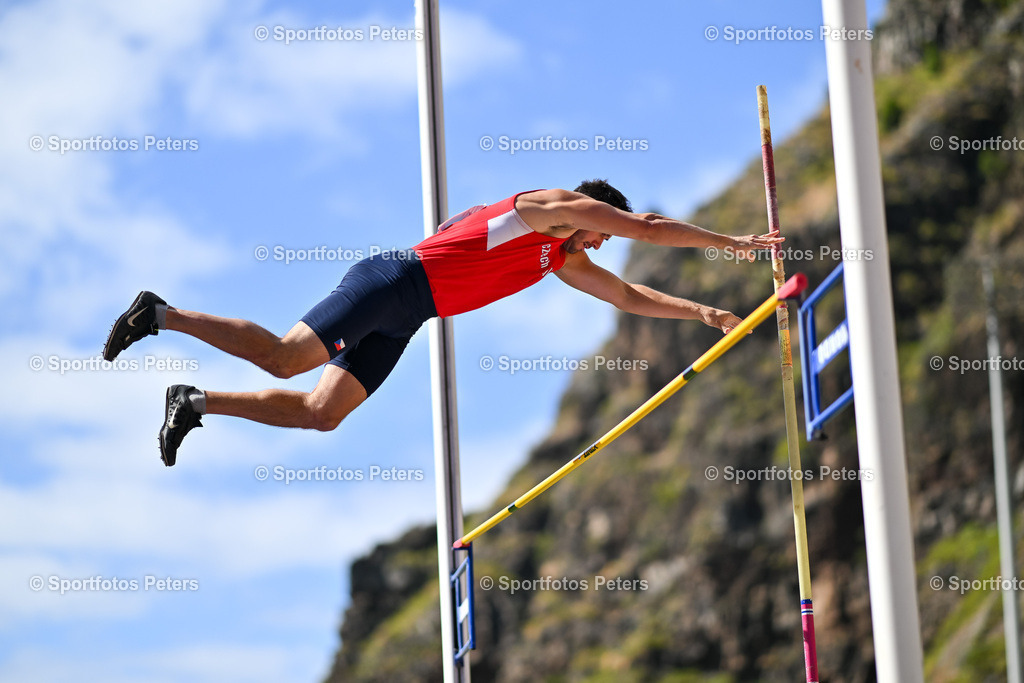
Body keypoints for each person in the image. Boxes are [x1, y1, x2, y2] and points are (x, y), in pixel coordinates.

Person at [103, 180, 782, 466]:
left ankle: (193, 401)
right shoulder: (550, 208)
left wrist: (703, 311)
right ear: (591, 210)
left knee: (321, 413)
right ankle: (159, 312)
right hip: (392, 283)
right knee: (285, 357)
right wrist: (734, 243)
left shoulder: (557, 256)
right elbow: (649, 227)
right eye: (603, 232)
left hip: (409, 316)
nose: (603, 244)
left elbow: (628, 297)